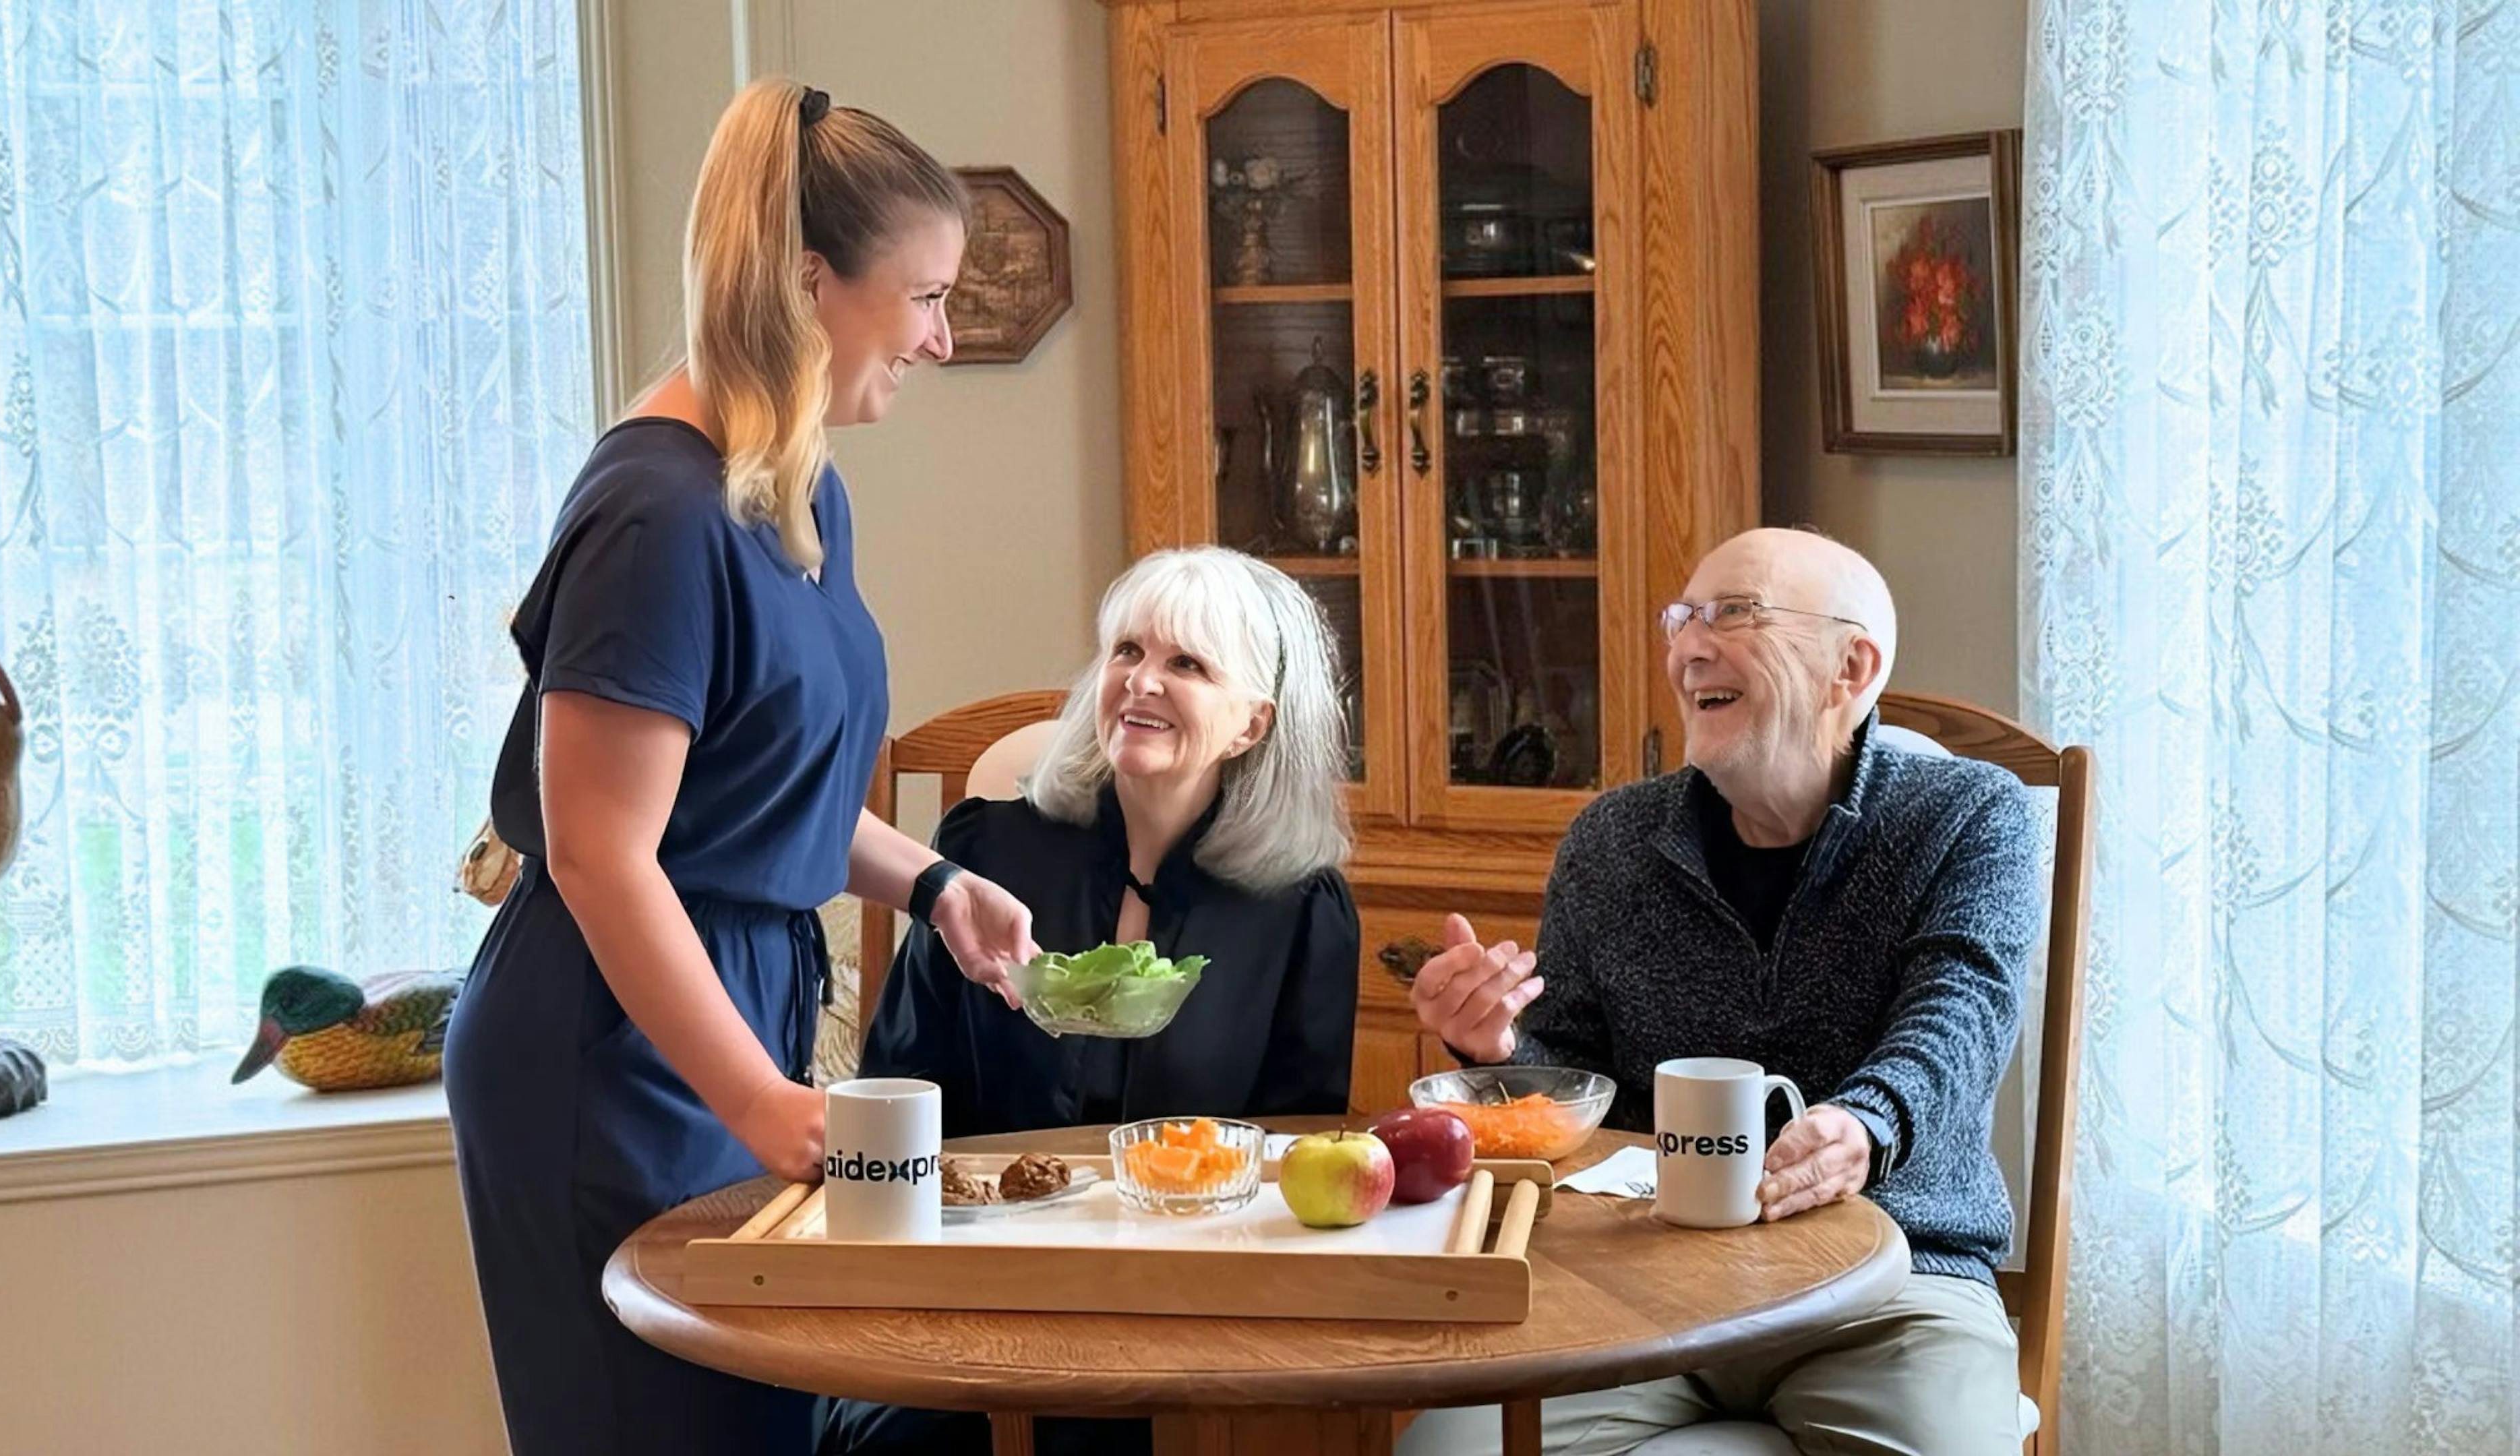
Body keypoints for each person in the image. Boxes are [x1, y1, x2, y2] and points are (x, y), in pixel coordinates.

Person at [444, 80, 1042, 1456]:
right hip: (613, 1053)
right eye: (926, 297)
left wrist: (934, 880)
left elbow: (764, 790)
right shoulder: (656, 513)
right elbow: (601, 850)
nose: (944, 339)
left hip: (722, 1017)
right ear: (807, 282)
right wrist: (760, 1099)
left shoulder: (795, 484)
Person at [1400, 528, 2041, 1456]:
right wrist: (1498, 1055)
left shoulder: (1967, 813)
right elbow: (1574, 1082)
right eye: (1683, 618)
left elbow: (1963, 1013)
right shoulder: (1612, 841)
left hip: (1896, 1285)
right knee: (1440, 1452)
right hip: (1646, 1281)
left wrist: (1863, 1126)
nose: (1688, 646)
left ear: (1849, 668)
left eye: (1734, 615)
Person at [818, 546, 1361, 1456]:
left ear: (1251, 724)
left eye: (1186, 664)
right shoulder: (986, 855)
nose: (1141, 682)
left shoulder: (1302, 909)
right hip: (970, 1299)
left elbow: (1289, 1161)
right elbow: (897, 1091)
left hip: (1185, 1319)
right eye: (1126, 652)